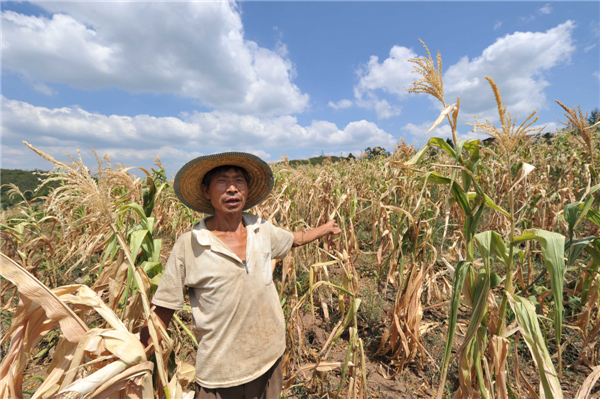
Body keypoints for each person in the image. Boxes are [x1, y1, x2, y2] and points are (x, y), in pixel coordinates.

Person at [141, 152, 341, 399]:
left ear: (247, 191)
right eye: (223, 181)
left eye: (239, 181)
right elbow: (163, 309)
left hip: (269, 360)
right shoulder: (189, 244)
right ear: (206, 191)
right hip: (220, 374)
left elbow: (294, 239)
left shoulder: (261, 229)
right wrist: (140, 352)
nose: (232, 188)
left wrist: (324, 229)